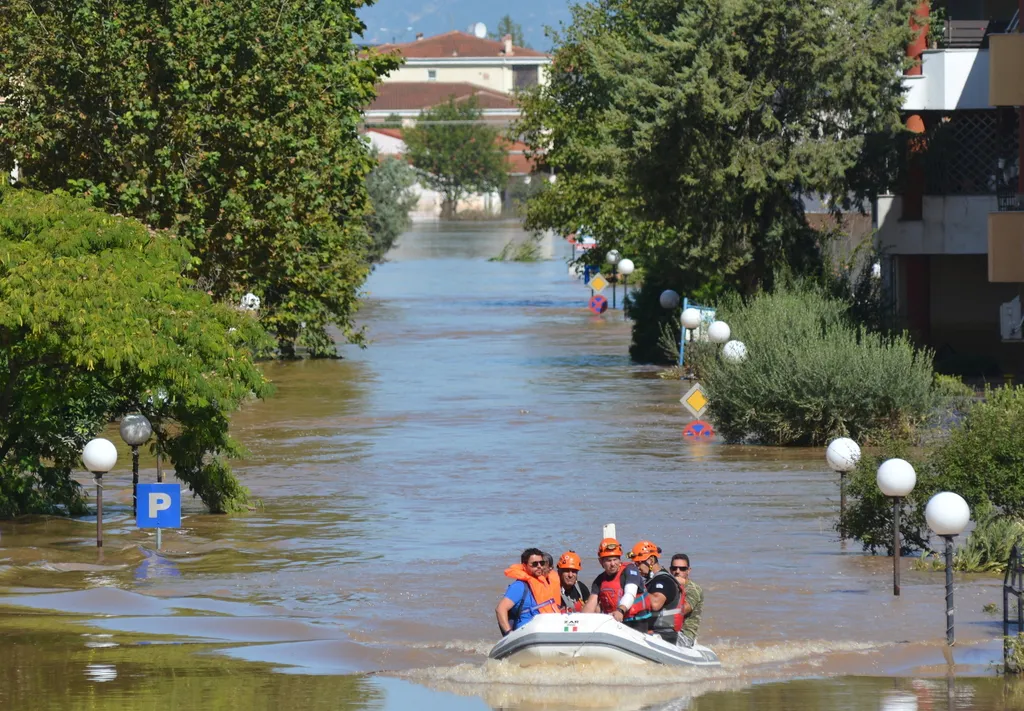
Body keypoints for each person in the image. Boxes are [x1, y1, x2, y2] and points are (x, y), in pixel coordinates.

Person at [582, 537, 652, 632]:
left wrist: (620, 610)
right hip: (614, 623)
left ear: (620, 559)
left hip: (636, 622)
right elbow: (591, 605)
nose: (613, 564)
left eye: (615, 559)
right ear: (601, 562)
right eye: (608, 560)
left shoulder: (630, 570)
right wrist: (580, 620)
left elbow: (630, 593)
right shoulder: (599, 580)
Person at [495, 548, 561, 636]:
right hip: (527, 632)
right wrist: (509, 633)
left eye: (541, 563)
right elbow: (500, 609)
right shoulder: (519, 586)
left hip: (547, 628)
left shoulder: (544, 583)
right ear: (524, 566)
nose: (539, 566)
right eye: (534, 564)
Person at [629, 541, 684, 645]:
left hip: (665, 635)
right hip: (651, 632)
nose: (637, 567)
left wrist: (634, 589)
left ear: (650, 560)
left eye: (639, 563)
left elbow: (655, 604)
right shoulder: (650, 581)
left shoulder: (664, 580)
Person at [671, 553, 704, 647]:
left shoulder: (693, 589)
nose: (677, 571)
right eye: (674, 568)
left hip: (685, 635)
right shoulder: (668, 586)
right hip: (667, 630)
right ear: (670, 570)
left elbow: (682, 610)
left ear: (688, 571)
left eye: (682, 569)